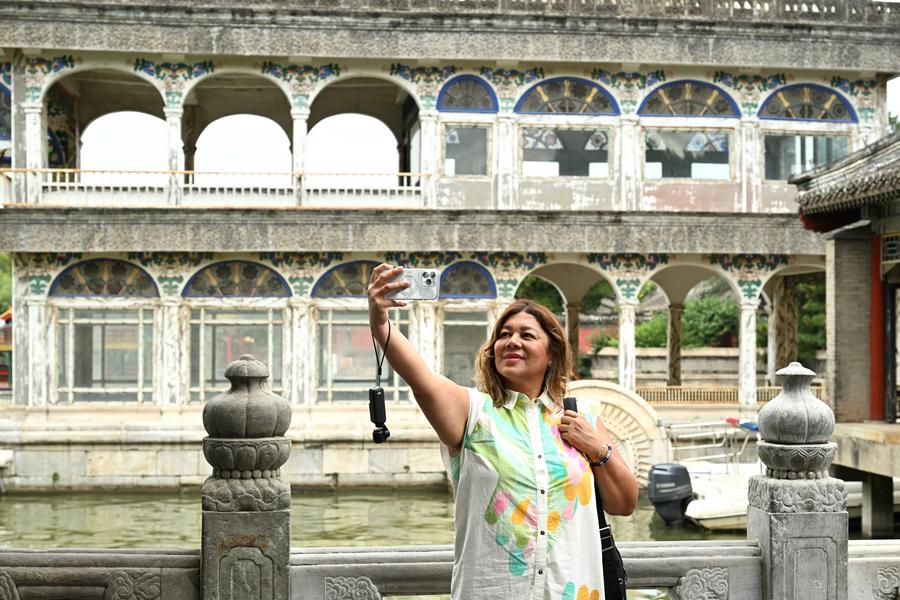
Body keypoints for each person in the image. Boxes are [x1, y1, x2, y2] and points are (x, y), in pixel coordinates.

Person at [368, 263, 638, 600]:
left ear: (552, 352)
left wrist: (598, 448)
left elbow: (625, 503)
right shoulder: (473, 412)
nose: (512, 342)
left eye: (527, 335)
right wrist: (380, 322)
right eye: (504, 335)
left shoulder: (580, 414)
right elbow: (419, 375)